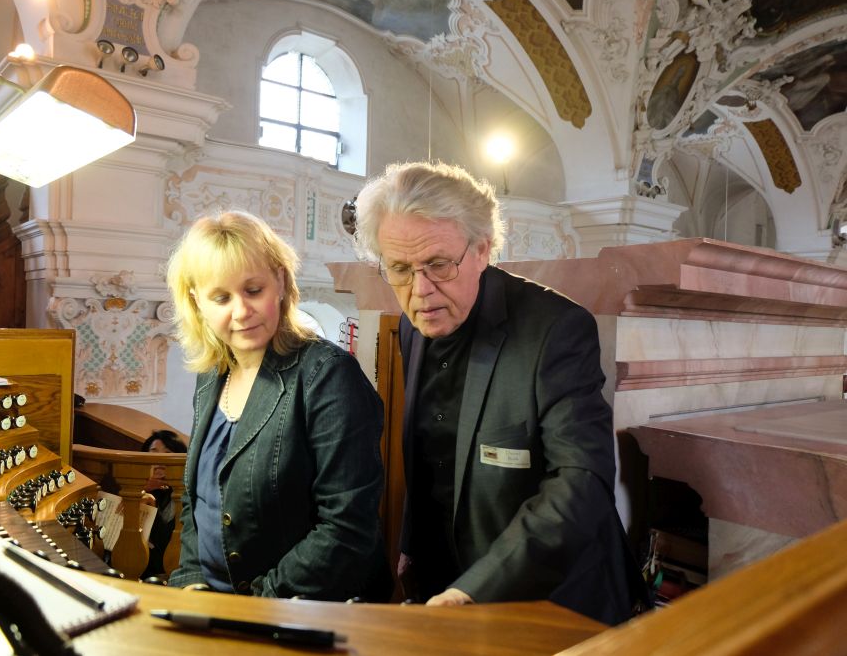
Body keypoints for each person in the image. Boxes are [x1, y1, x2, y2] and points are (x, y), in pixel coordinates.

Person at [353, 161, 647, 624]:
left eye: (438, 265)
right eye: (400, 269)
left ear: (482, 249)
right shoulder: (413, 328)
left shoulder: (557, 329)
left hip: (550, 595)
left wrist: (472, 591)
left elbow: (581, 481)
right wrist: (413, 546)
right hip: (444, 586)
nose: (420, 290)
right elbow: (429, 457)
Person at [165, 210, 389, 600]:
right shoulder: (212, 374)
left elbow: (346, 528)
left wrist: (255, 607)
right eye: (221, 298)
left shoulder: (328, 376)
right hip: (212, 604)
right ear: (197, 302)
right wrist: (190, 582)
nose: (241, 311)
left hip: (295, 608)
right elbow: (197, 502)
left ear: (281, 282)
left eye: (253, 290)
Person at [139, 429, 187, 579]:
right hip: (139, 569)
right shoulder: (133, 486)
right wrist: (143, 489)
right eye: (153, 452)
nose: (159, 459)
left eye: (167, 452)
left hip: (173, 572)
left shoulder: (184, 493)